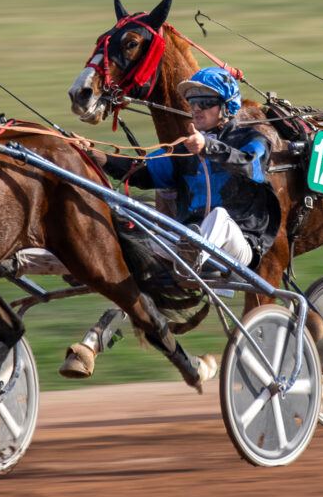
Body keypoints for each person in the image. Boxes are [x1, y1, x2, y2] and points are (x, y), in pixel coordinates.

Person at [58, 66, 279, 379]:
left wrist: (209, 148)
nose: (197, 109)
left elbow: (252, 166)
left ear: (226, 107)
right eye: (193, 103)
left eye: (205, 103)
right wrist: (94, 154)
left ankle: (189, 256)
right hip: (187, 243)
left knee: (218, 217)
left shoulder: (252, 139)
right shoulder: (184, 148)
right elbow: (140, 172)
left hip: (238, 247)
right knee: (138, 229)